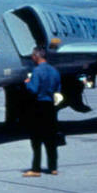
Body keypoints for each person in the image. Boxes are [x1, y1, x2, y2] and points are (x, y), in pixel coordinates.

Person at [23, 47, 61, 177]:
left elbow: (33, 89)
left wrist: (27, 83)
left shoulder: (37, 71)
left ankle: (36, 168)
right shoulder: (54, 70)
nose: (32, 58)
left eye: (33, 56)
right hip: (50, 106)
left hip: (38, 106)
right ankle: (53, 167)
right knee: (51, 139)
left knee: (36, 140)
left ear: (36, 56)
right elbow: (58, 88)